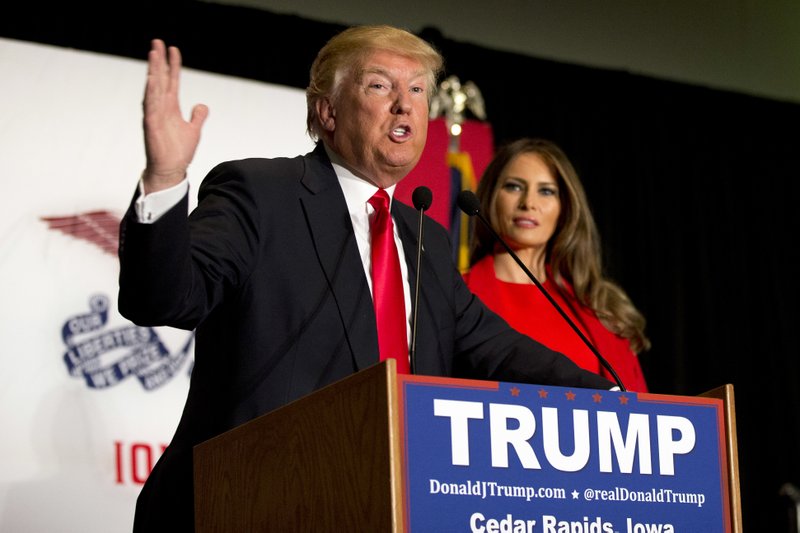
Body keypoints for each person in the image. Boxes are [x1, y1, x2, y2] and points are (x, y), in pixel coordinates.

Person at [118, 26, 616, 532]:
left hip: (385, 505)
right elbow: (164, 300)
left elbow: (499, 351)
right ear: (327, 112)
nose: (405, 105)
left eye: (418, 90)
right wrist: (163, 180)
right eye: (380, 86)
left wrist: (619, 405)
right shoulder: (260, 193)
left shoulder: (427, 240)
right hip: (251, 502)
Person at [463, 137, 650, 392]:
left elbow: (640, 412)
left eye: (546, 191)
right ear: (490, 196)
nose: (529, 203)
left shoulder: (600, 305)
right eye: (514, 187)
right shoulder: (456, 294)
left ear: (565, 208)